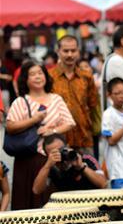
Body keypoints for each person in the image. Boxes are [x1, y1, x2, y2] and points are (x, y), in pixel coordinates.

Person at [7, 61, 76, 209]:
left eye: (40, 73)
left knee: (51, 203)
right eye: (32, 74)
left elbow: (70, 123)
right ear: (25, 79)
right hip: (27, 160)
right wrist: (34, 120)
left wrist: (53, 131)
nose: (38, 77)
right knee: (27, 205)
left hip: (52, 157)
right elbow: (10, 126)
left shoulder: (56, 99)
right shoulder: (20, 102)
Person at [50, 35, 99, 157]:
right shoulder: (49, 76)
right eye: (66, 51)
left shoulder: (86, 77)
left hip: (84, 137)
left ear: (78, 52)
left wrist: (96, 130)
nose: (70, 55)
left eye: (73, 50)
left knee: (89, 172)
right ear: (58, 52)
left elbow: (93, 105)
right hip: (57, 139)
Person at [33, 134, 107, 196]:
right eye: (54, 153)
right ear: (47, 155)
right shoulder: (50, 167)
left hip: (91, 202)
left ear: (68, 146)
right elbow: (36, 190)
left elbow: (103, 184)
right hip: (67, 207)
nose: (60, 154)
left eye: (61, 149)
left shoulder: (86, 158)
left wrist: (82, 167)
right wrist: (47, 166)